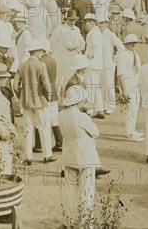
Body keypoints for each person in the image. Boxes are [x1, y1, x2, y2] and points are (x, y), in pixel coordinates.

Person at [59, 85, 101, 226]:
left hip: (69, 155)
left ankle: (68, 221)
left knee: (69, 192)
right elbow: (95, 132)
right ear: (78, 102)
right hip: (85, 157)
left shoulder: (61, 115)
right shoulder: (82, 117)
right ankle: (86, 223)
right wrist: (88, 115)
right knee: (86, 192)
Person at [14, 40, 56, 164]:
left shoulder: (22, 66)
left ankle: (28, 157)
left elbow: (16, 85)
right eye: (41, 51)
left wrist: (21, 96)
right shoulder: (40, 65)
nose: (42, 53)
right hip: (40, 101)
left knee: (28, 129)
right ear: (36, 51)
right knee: (44, 127)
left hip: (26, 101)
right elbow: (46, 84)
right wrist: (48, 97)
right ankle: (47, 155)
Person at [116, 34, 144, 142]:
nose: (133, 45)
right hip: (127, 83)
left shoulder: (136, 55)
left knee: (135, 108)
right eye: (130, 43)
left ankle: (132, 129)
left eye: (134, 43)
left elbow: (139, 71)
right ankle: (130, 133)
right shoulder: (122, 55)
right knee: (130, 109)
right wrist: (124, 90)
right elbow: (120, 74)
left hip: (135, 83)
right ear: (126, 44)